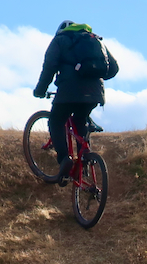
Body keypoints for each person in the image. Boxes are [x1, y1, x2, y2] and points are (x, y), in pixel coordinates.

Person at [33, 21, 119, 182]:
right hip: (95, 93)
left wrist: (41, 89)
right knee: (80, 119)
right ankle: (85, 160)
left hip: (69, 91)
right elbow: (113, 69)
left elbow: (49, 66)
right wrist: (92, 74)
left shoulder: (60, 40)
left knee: (56, 121)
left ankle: (65, 159)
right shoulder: (95, 40)